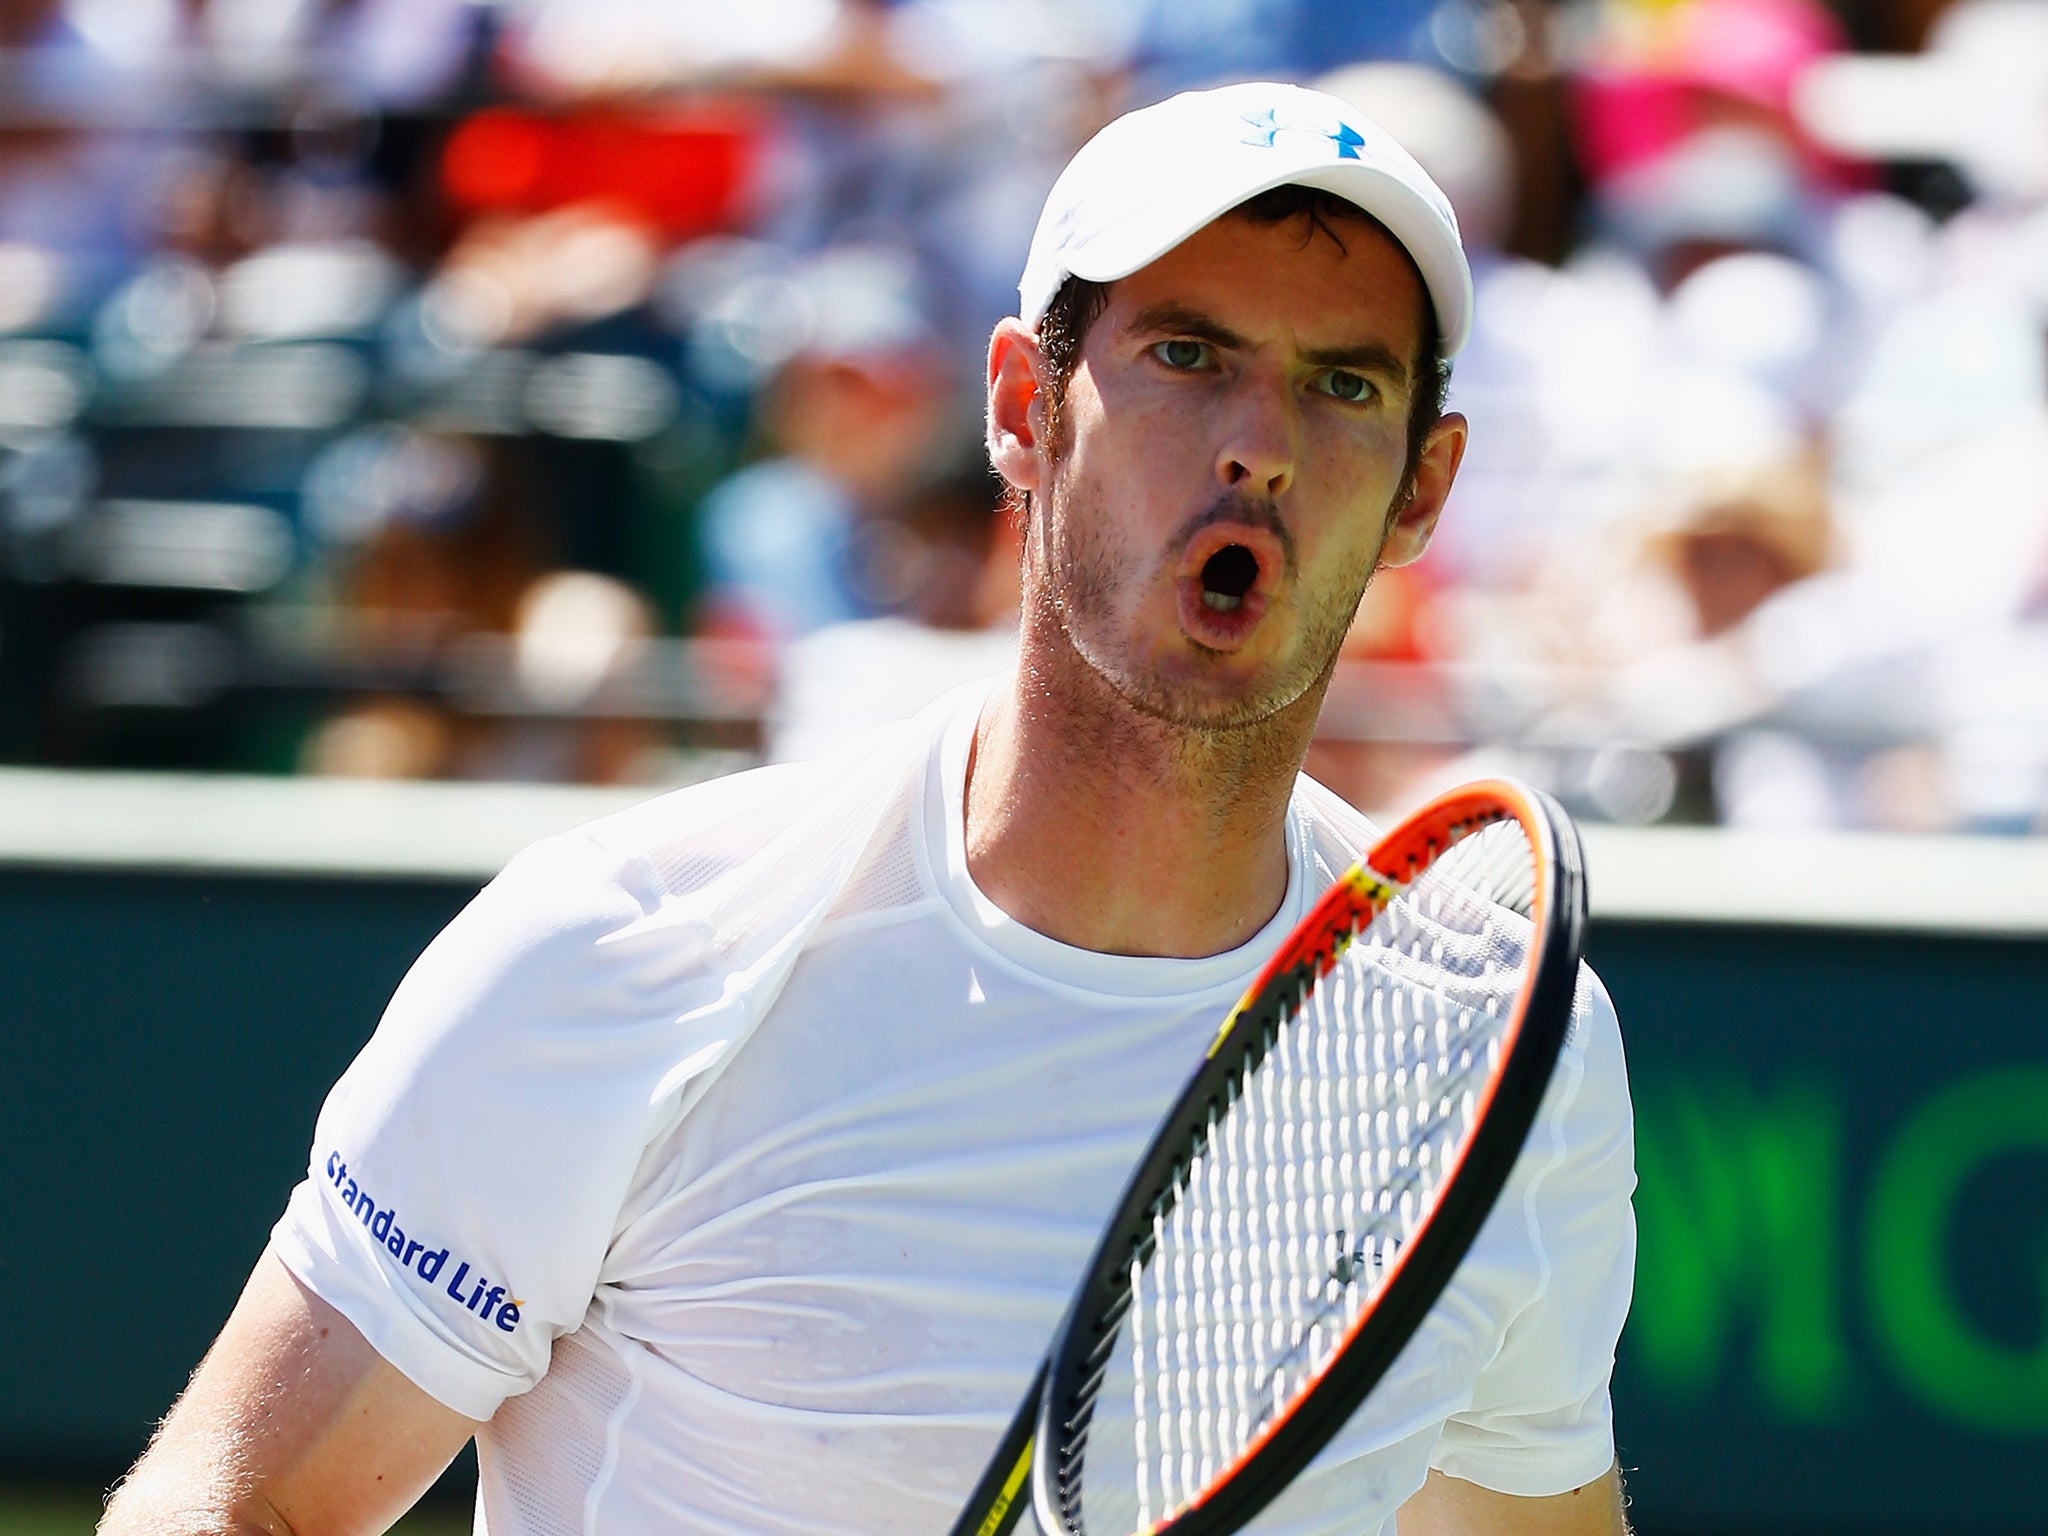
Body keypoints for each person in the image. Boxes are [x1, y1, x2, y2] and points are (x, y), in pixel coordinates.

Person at [101, 82, 1635, 1536]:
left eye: (1343, 382)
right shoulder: (624, 948)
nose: (1262, 442)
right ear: (1026, 410)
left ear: (1424, 487)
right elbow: (240, 1500)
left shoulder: (1504, 1055)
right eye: (1185, 355)